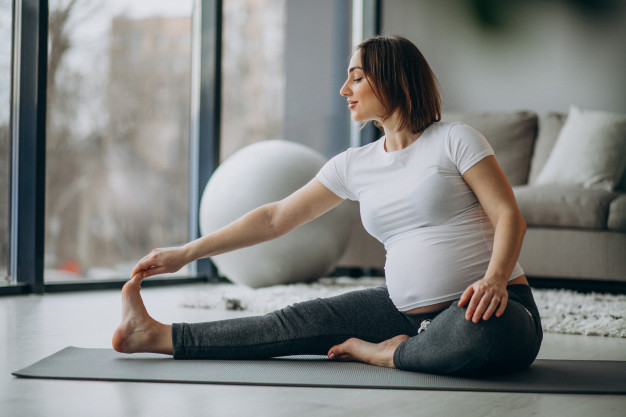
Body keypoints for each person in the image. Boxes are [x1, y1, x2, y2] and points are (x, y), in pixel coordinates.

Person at [113, 35, 542, 375]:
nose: (344, 90)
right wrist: (186, 253)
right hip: (402, 312)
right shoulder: (355, 165)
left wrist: (494, 281)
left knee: (483, 332)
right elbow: (275, 218)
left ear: (391, 78)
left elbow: (509, 216)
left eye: (356, 78)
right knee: (292, 322)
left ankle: (388, 356)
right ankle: (155, 335)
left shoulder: (455, 139)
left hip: (492, 309)